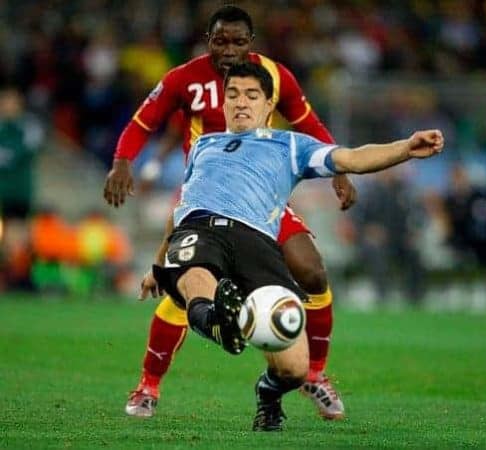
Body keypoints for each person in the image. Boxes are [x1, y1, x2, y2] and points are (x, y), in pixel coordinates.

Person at [148, 61, 443, 431]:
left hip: (257, 242)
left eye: (251, 95)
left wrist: (405, 147)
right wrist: (156, 265)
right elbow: (179, 211)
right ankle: (219, 321)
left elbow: (351, 157)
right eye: (233, 95)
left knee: (294, 367)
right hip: (201, 230)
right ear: (222, 103)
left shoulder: (291, 146)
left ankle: (268, 391)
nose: (241, 103)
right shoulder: (204, 146)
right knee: (197, 278)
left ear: (268, 103)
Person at [102, 6, 356, 419]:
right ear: (208, 39)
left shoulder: (273, 76)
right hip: (206, 199)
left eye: (239, 41)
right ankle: (147, 386)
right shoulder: (184, 78)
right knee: (183, 289)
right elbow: (143, 122)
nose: (229, 49)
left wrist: (338, 172)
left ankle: (314, 375)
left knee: (312, 272)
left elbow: (308, 122)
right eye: (221, 40)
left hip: (262, 198)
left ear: (251, 43)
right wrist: (123, 162)